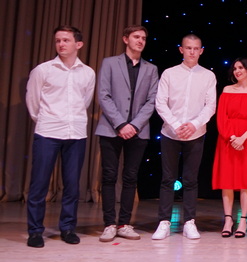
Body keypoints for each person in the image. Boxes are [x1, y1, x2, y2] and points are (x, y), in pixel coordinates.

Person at [24, 26, 96, 247]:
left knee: (72, 184)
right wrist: (47, 120)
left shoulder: (88, 73)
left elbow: (85, 101)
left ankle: (68, 228)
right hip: (48, 132)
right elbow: (33, 101)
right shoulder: (43, 70)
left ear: (78, 44)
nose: (61, 44)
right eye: (58, 40)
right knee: (39, 184)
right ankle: (35, 231)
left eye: (66, 40)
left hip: (76, 134)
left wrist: (71, 119)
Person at [95, 25, 159, 243]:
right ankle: (109, 224)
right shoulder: (109, 63)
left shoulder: (151, 68)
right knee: (109, 176)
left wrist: (134, 125)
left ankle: (124, 223)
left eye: (143, 38)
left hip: (138, 131)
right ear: (125, 39)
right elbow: (103, 95)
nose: (140, 41)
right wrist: (121, 124)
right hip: (111, 128)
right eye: (136, 37)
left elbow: (152, 100)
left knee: (130, 177)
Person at [153, 34, 217, 241]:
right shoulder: (169, 73)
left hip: (196, 133)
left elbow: (210, 106)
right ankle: (164, 222)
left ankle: (189, 222)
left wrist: (194, 124)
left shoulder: (208, 76)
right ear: (181, 49)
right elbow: (160, 103)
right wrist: (176, 124)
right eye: (188, 48)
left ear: (201, 51)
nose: (192, 52)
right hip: (170, 133)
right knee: (168, 179)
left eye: (196, 48)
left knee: (191, 180)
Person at [212, 58, 247, 238]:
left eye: (241, 67)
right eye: (235, 68)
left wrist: (243, 137)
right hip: (228, 139)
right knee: (227, 180)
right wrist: (232, 137)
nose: (237, 71)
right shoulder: (227, 90)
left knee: (245, 181)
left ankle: (243, 220)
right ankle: (228, 220)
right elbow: (221, 118)